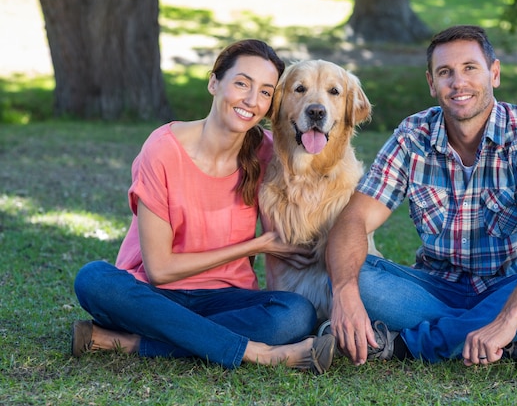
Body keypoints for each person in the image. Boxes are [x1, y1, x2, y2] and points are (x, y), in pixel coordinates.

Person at [325, 25, 517, 366]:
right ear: (432, 83)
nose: (458, 82)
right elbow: (353, 219)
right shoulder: (412, 137)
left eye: (470, 68)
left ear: (494, 73)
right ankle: (515, 339)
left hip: (510, 286)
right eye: (445, 72)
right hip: (433, 288)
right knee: (353, 275)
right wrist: (344, 292)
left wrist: (507, 319)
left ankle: (408, 346)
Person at [72, 39, 335, 374]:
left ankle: (123, 342)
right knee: (93, 279)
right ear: (214, 82)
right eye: (242, 83)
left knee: (296, 314)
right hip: (153, 294)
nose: (252, 101)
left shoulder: (267, 153)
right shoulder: (163, 149)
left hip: (224, 300)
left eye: (266, 92)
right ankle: (259, 353)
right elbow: (160, 269)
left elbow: (318, 175)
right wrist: (259, 245)